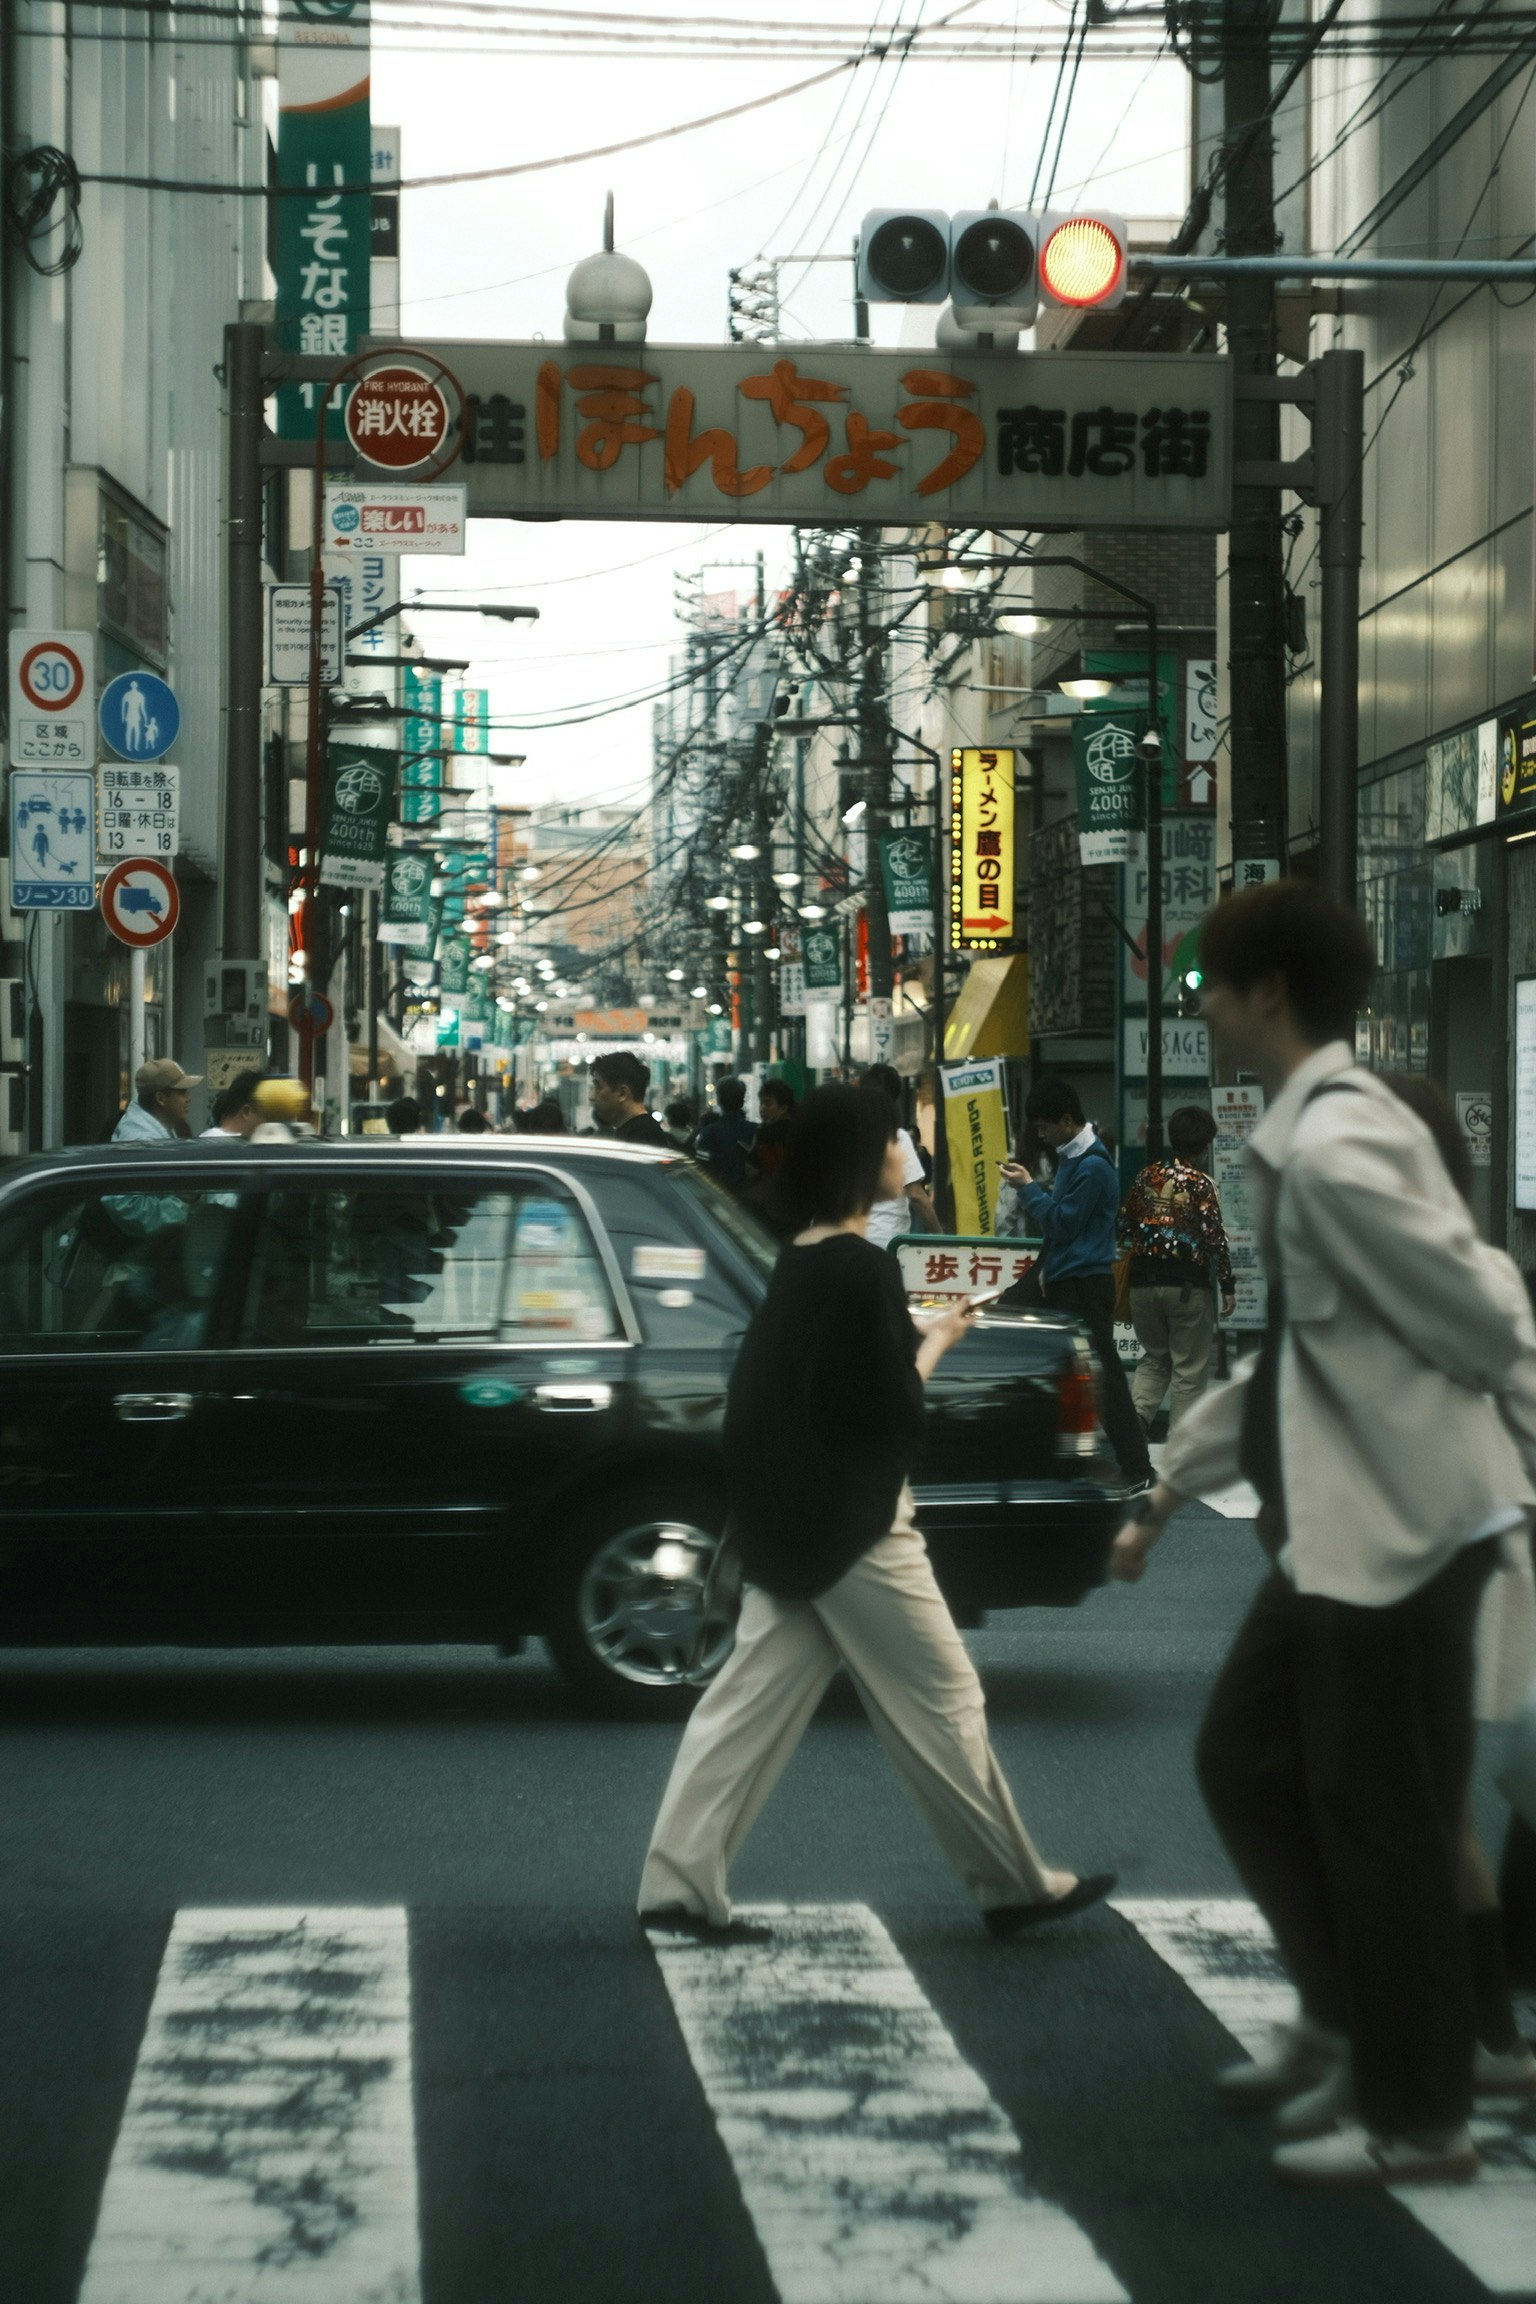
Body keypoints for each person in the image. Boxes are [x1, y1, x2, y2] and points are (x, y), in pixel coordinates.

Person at [1111, 878, 1536, 2190]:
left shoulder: (1339, 1149)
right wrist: (1174, 1484)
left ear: (1269, 994)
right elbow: (1302, 1356)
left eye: (1209, 988)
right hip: (1347, 1530)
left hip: (1405, 1527)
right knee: (1253, 1761)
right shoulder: (1314, 1136)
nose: (1199, 1012)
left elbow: (1485, 1311)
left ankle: (1421, 2112)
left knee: (1386, 1817)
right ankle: (1358, 2029)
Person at [637, 1082, 1115, 1946]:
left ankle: (677, 1888)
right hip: (856, 1523)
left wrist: (917, 1333)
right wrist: (938, 1342)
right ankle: (1012, 1885)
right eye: (896, 1139)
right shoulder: (861, 1266)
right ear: (864, 1158)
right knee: (944, 1696)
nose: (907, 1151)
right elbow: (892, 1408)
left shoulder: (804, 1256)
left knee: (744, 1708)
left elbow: (815, 1386)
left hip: (789, 1518)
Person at [1000, 1078, 1152, 1488]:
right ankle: (1073, 1461)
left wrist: (1027, 1188)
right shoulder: (1075, 1157)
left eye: (1044, 1126)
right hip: (1070, 1281)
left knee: (1103, 1378)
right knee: (1070, 1370)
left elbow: (1063, 1223)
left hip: (1084, 1285)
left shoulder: (1093, 1166)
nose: (1040, 1134)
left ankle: (1137, 1467)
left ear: (1066, 1120)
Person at [1118, 1104, 1236, 1433]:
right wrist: (1227, 1285)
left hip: (1141, 1285)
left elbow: (1123, 1228)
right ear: (1205, 1146)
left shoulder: (1146, 1176)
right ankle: (1181, 1447)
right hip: (1187, 1288)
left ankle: (1136, 1424)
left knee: (1155, 1359)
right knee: (1189, 1370)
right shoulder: (1202, 1184)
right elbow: (1215, 1239)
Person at [861, 1062, 938, 1250]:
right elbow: (916, 1195)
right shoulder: (896, 1137)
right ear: (893, 1100)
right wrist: (939, 1235)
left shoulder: (847, 1136)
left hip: (853, 1239)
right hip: (887, 1240)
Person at [589, 1051, 668, 1145]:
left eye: (598, 1087)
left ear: (622, 1093)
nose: (591, 1097)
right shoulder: (636, 1130)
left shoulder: (642, 1135)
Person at [113, 1058, 200, 1144]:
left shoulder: (159, 1127)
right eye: (182, 1092)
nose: (188, 1098)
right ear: (160, 1098)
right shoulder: (143, 1142)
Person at [694, 1076, 756, 1193]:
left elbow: (702, 1168)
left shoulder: (709, 1132)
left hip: (719, 1195)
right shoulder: (755, 1130)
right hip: (749, 1194)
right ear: (742, 1101)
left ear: (719, 1100)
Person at [200, 1071, 264, 1140]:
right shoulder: (236, 1143)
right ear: (246, 1112)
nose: (268, 1122)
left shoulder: (205, 1138)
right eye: (266, 1114)